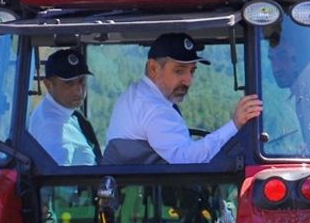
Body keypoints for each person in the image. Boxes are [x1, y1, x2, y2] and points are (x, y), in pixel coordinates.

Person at [104, 33, 261, 165]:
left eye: (192, 71)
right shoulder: (154, 109)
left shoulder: (134, 95)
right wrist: (235, 124)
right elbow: (189, 160)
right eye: (179, 71)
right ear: (153, 68)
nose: (188, 81)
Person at [28, 48, 101, 166]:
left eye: (81, 81)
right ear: (48, 84)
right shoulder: (52, 128)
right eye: (69, 83)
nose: (79, 90)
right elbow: (57, 179)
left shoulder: (67, 114)